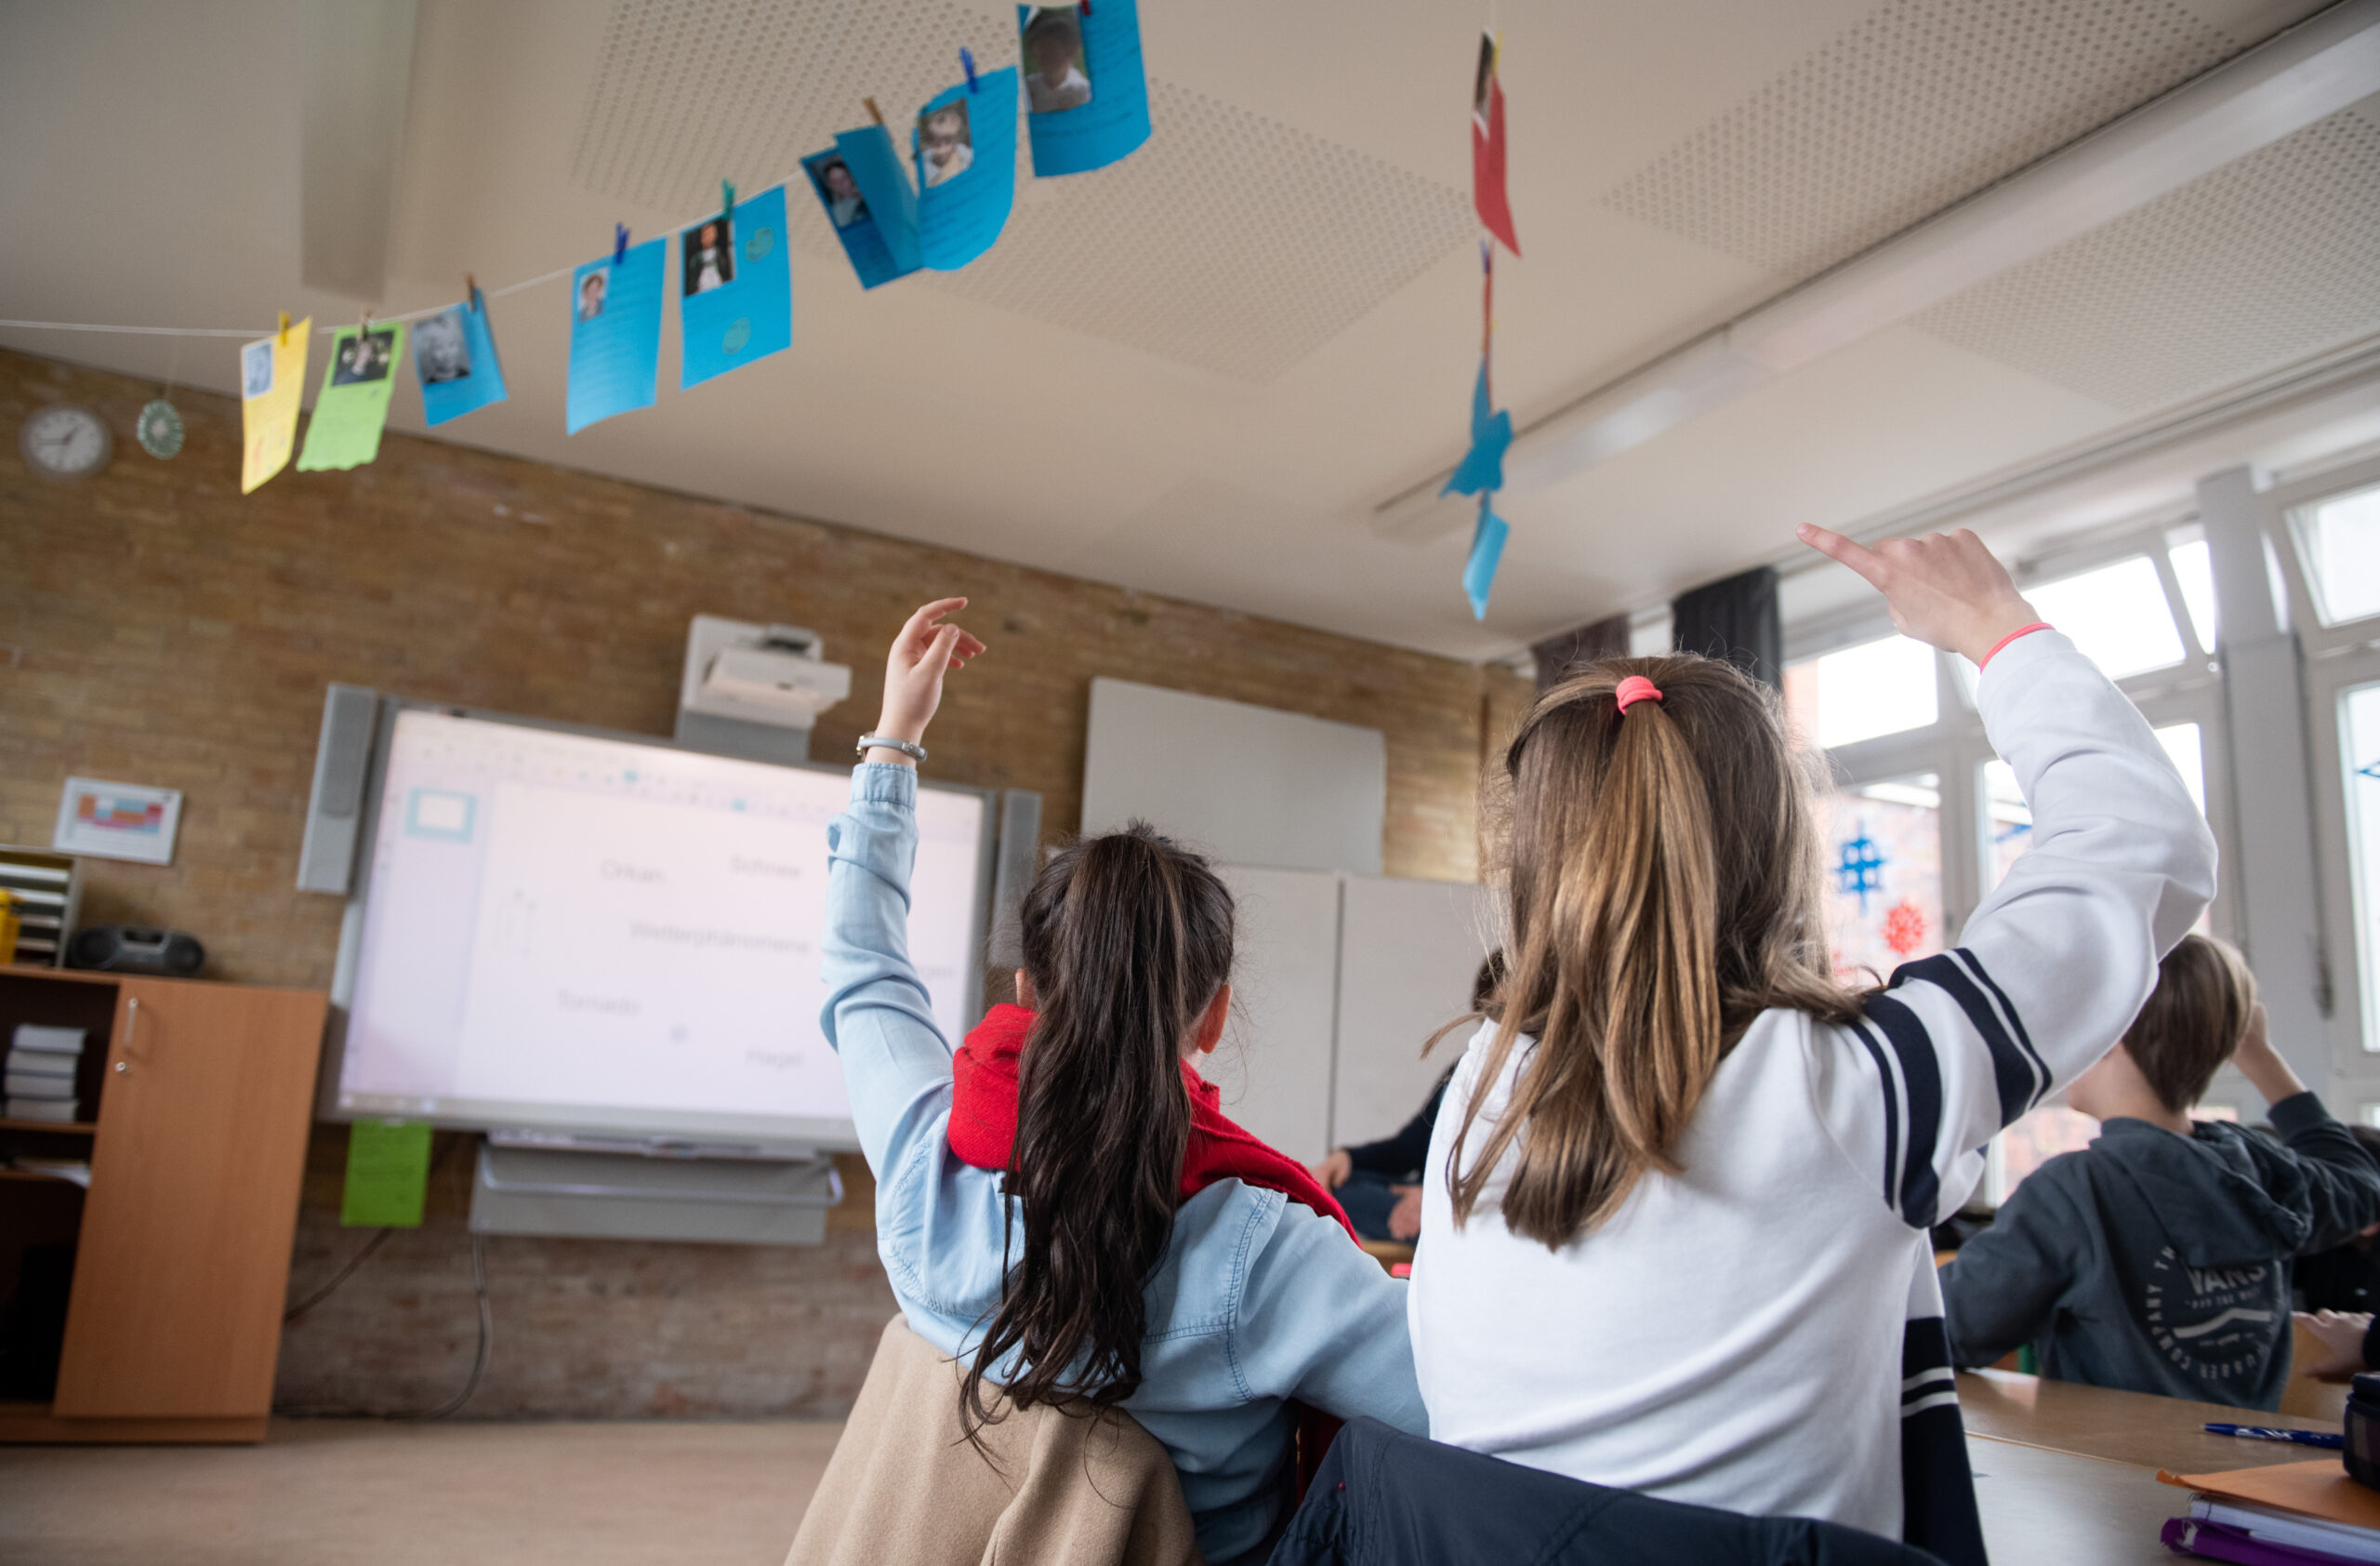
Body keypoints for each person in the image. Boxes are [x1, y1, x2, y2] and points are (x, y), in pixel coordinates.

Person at [1408, 524, 2217, 1560]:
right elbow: (2141, 846)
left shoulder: (1486, 1084)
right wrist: (1995, 628)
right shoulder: (1866, 1086)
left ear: (1530, 858)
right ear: (1781, 842)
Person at [820, 599, 1428, 1566]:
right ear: (1213, 1015)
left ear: (1026, 988)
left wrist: (893, 740)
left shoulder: (924, 1161)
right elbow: (1459, 1398)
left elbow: (862, 968)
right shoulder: (1262, 1253)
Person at [1939, 938, 2380, 1408]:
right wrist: (2260, 1056)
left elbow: (1945, 1331)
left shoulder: (2073, 1192)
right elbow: (2361, 1183)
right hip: (2246, 1475)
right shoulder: (2262, 1168)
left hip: (2110, 1478)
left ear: (2110, 1034)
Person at [1314, 952, 1504, 1243]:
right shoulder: (1462, 1069)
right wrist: (1347, 1158)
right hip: (1430, 1195)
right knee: (1340, 1187)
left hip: (1475, 1213)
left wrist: (1441, 1199)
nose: (1498, 1027)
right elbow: (1408, 1148)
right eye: (1493, 1013)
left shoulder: (1530, 1083)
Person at [1023, 10, 1091, 113]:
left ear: (1070, 53)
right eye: (1040, 51)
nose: (1044, 59)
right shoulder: (1028, 87)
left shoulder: (1083, 91)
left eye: (1052, 51)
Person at [919, 104, 972, 187]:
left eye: (948, 142)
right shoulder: (924, 166)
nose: (942, 150)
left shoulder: (967, 155)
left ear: (955, 140)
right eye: (937, 144)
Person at [816, 160, 868, 229]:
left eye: (844, 178)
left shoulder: (868, 192)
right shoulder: (834, 212)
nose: (840, 184)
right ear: (830, 186)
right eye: (835, 181)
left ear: (851, 177)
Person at [685, 220, 732, 296]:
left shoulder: (720, 254)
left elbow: (726, 272)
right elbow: (692, 281)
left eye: (711, 234)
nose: (708, 237)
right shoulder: (696, 259)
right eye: (706, 234)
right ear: (702, 238)